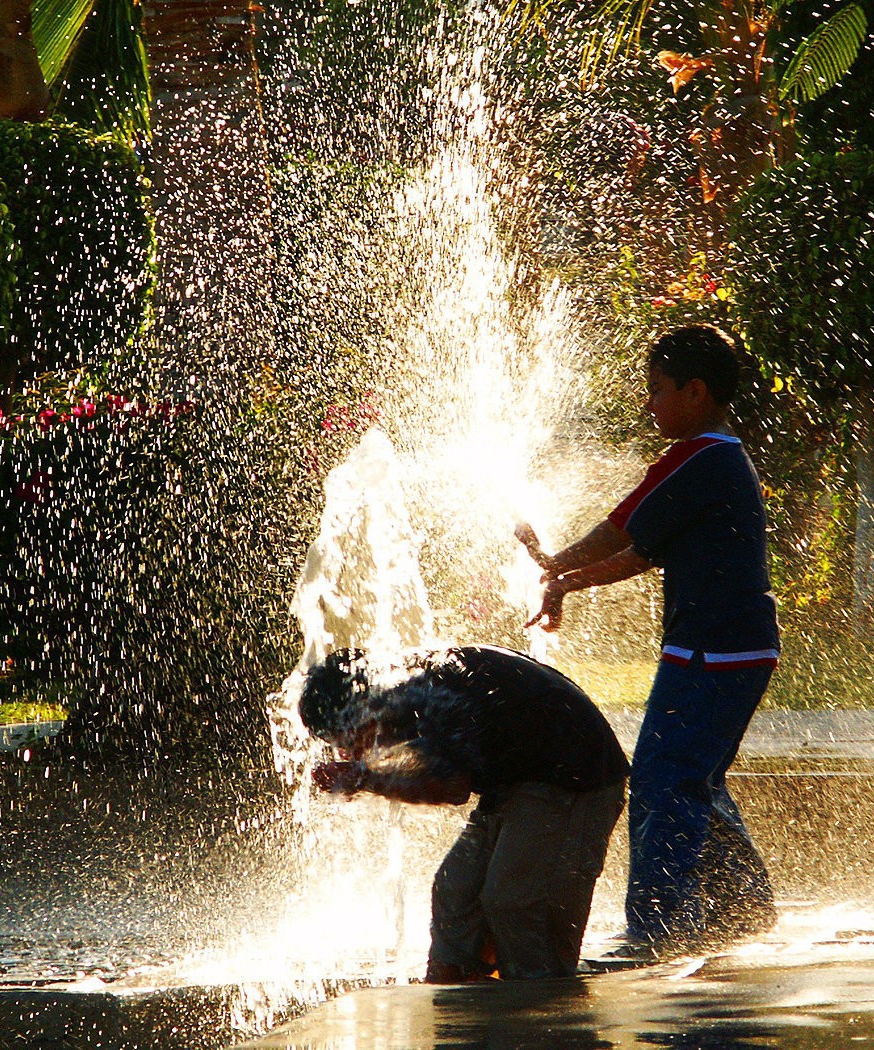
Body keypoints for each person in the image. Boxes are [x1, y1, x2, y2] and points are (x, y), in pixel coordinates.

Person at [518, 323, 779, 959]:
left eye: (657, 390)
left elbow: (618, 531)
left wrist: (555, 566)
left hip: (713, 652)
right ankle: (744, 907)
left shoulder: (700, 457)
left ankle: (655, 929)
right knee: (695, 778)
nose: (648, 403)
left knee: (666, 780)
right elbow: (642, 553)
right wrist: (562, 575)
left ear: (696, 392)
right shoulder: (718, 458)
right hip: (729, 647)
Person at [300, 644, 628, 982]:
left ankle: (539, 1007)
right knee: (453, 891)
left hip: (576, 778)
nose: (346, 749)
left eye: (345, 735)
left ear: (363, 707)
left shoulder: (427, 698)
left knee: (514, 899)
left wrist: (364, 778)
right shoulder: (406, 686)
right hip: (521, 778)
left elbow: (450, 787)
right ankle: (457, 984)